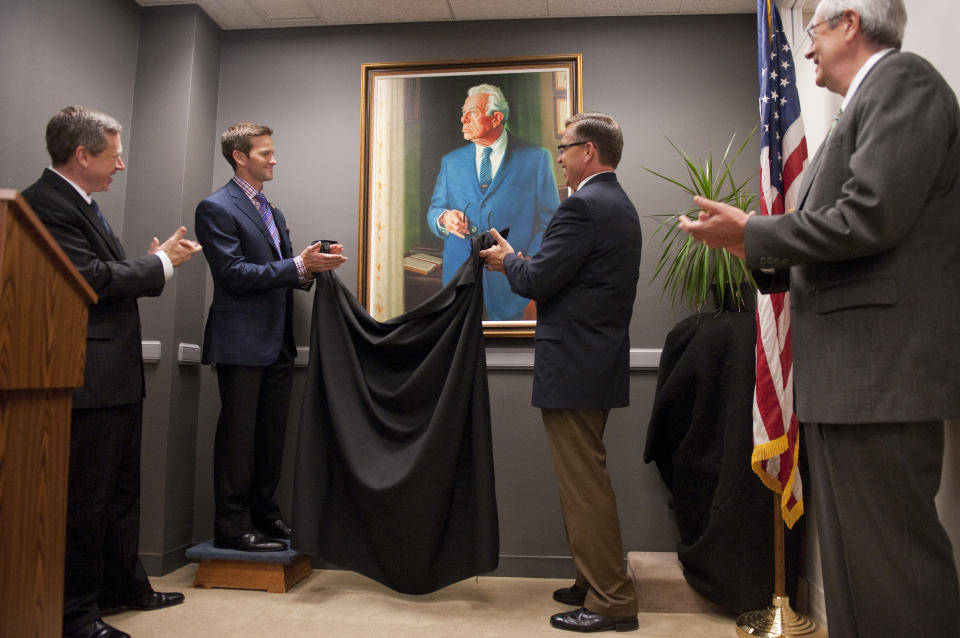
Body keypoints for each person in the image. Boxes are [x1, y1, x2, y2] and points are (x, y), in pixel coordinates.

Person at [678, 1, 960, 634]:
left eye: (815, 32)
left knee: (896, 569)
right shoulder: (861, 107)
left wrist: (755, 231)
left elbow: (872, 215)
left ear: (850, 23)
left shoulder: (903, 82)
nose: (806, 50)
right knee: (859, 568)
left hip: (880, 377)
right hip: (850, 381)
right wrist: (746, 243)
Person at [22, 105, 201, 638]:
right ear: (82, 155)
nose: (120, 166)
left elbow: (108, 276)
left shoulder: (81, 203)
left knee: (121, 493)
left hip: (113, 377)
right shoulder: (45, 205)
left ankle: (125, 587)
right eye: (115, 156)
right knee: (85, 503)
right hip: (84, 378)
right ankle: (76, 617)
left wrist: (150, 263)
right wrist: (162, 263)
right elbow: (92, 279)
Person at [480, 112, 642, 632]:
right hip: (594, 362)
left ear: (588, 151)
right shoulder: (618, 204)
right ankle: (592, 581)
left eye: (565, 148)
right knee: (584, 480)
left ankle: (611, 601)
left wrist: (508, 260)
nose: (560, 157)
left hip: (574, 363)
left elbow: (541, 280)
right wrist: (524, 260)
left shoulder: (584, 207)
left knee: (583, 486)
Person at [195, 123, 347, 553]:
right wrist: (299, 264)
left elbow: (283, 274)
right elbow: (233, 274)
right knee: (239, 438)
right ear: (240, 157)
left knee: (270, 435)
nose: (274, 159)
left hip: (277, 340)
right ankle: (232, 525)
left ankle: (265, 516)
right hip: (240, 342)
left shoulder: (272, 212)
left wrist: (312, 264)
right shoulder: (216, 208)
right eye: (265, 153)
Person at [427, 83, 560, 320]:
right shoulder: (451, 161)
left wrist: (527, 262)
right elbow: (435, 208)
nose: (463, 119)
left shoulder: (536, 158)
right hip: (458, 283)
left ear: (496, 118)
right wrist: (443, 218)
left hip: (511, 284)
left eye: (473, 112)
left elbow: (550, 221)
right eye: (463, 112)